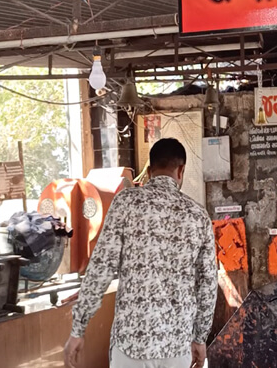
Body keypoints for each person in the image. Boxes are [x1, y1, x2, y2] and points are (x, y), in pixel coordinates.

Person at [64, 138, 217, 368]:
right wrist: (200, 338)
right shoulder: (198, 216)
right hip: (177, 346)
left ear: (150, 169)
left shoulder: (125, 203)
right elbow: (208, 284)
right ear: (181, 170)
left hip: (130, 347)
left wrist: (78, 328)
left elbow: (101, 268)